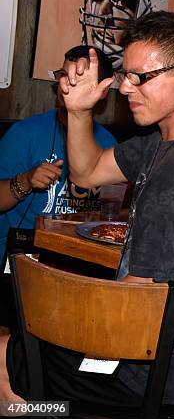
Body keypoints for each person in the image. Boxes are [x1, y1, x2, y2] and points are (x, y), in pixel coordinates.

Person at [0, 11, 174, 411]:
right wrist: (78, 112)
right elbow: (88, 172)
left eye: (141, 77)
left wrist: (44, 308)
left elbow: (130, 308)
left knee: (6, 356)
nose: (125, 87)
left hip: (152, 367)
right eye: (126, 75)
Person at [0, 45, 116, 267]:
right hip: (24, 256)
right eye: (63, 76)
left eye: (76, 80)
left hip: (82, 257)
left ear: (101, 91)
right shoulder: (25, 134)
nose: (66, 85)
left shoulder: (109, 144)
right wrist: (25, 181)